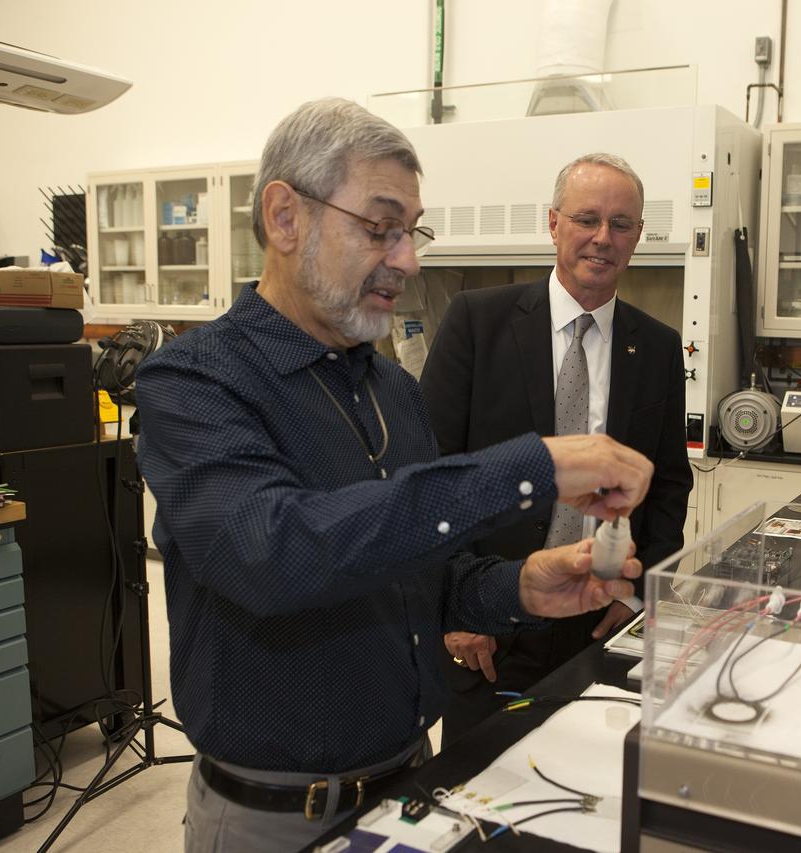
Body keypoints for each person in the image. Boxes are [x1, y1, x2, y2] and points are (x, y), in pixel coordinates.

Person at [133, 99, 654, 853]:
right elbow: (276, 554)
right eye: (380, 228)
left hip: (413, 789)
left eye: (413, 231)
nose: (407, 259)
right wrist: (534, 463)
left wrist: (517, 585)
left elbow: (421, 575)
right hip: (277, 818)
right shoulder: (195, 383)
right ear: (286, 217)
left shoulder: (391, 391)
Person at [420, 153, 692, 745]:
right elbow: (431, 472)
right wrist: (456, 608)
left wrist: (643, 591)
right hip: (489, 625)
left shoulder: (659, 347)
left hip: (596, 623)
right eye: (587, 218)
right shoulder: (477, 322)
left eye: (622, 224)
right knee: (477, 801)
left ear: (638, 236)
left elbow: (670, 484)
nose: (603, 238)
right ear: (553, 223)